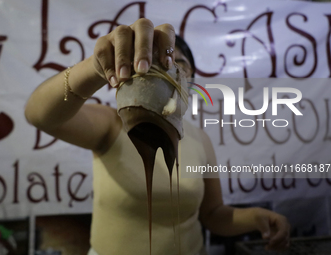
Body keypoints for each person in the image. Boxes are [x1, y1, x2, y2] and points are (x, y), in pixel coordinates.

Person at [25, 18, 290, 255]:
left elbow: (212, 213)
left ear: (190, 81)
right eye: (155, 60)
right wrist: (94, 68)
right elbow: (39, 114)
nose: (167, 67)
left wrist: (256, 217)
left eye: (178, 63)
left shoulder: (200, 139)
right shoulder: (111, 125)